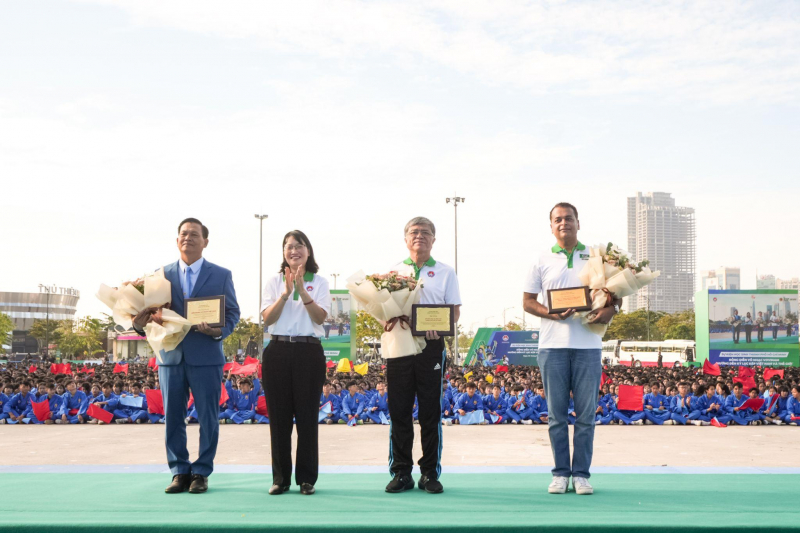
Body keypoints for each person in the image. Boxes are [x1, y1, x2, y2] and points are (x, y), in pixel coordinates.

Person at [133, 217, 240, 495]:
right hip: (170, 356)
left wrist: (217, 331)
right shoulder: (159, 276)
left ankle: (201, 472)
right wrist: (138, 322)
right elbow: (146, 315)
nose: (187, 238)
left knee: (208, 417)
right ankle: (179, 470)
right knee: (172, 417)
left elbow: (232, 314)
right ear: (176, 239)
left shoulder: (221, 275)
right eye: (183, 234)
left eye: (194, 234)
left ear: (205, 241)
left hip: (206, 355)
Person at [523, 202, 620, 495]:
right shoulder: (541, 259)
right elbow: (528, 302)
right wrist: (551, 313)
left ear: (579, 222)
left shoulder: (596, 257)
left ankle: (581, 474)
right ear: (551, 226)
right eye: (557, 219)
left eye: (568, 218)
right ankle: (560, 473)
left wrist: (612, 310)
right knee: (556, 416)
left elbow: (615, 295)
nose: (563, 223)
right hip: (552, 346)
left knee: (586, 415)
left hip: (588, 345)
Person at [385, 216, 462, 495]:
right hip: (399, 346)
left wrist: (440, 329)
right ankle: (401, 472)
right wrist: (385, 319)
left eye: (426, 232)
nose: (420, 236)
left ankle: (429, 473)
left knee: (430, 412)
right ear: (406, 239)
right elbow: (384, 308)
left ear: (434, 239)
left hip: (431, 347)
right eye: (414, 232)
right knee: (399, 411)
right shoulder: (393, 272)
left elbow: (453, 311)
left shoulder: (445, 272)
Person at [261, 230, 329, 495]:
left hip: (308, 352)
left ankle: (306, 479)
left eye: (299, 246)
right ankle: (281, 479)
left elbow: (320, 318)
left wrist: (303, 290)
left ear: (308, 251)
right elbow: (267, 319)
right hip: (277, 350)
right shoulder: (274, 282)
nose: (294, 251)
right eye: (288, 247)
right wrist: (287, 293)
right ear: (283, 253)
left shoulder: (320, 282)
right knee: (278, 419)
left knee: (307, 417)